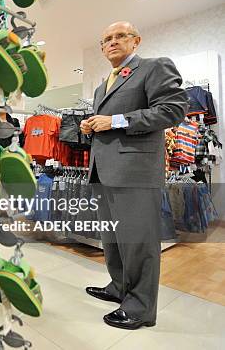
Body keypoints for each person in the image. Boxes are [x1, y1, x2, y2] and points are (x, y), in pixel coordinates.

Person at [80, 21, 189, 329]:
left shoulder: (154, 67)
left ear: (135, 41)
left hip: (136, 173)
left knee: (138, 242)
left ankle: (140, 308)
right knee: (112, 238)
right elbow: (107, 123)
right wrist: (91, 124)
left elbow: (173, 109)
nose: (111, 42)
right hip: (104, 172)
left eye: (119, 36)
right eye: (106, 39)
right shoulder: (104, 84)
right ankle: (119, 288)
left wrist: (114, 120)